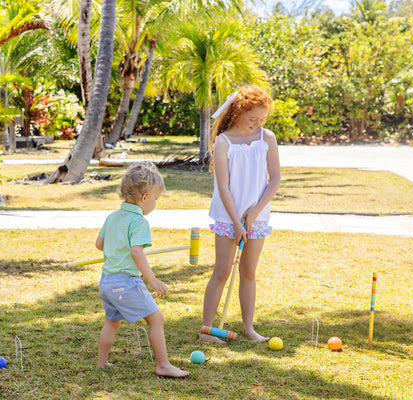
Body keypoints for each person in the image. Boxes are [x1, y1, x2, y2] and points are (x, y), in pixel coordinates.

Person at [200, 85, 281, 344]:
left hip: (257, 217)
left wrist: (255, 212)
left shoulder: (266, 138)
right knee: (222, 270)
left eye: (262, 119)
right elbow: (223, 186)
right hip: (227, 217)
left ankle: (248, 328)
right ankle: (206, 330)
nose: (257, 124)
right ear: (238, 112)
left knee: (248, 271)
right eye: (252, 118)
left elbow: (275, 179)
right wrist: (236, 222)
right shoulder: (223, 142)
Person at [95, 162, 189, 378]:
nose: (155, 203)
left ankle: (102, 363)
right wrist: (153, 280)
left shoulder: (112, 217)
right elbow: (137, 252)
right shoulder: (138, 222)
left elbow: (99, 245)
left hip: (107, 283)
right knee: (156, 319)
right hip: (126, 283)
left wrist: (116, 248)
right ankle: (163, 365)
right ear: (145, 197)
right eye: (156, 199)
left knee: (111, 322)